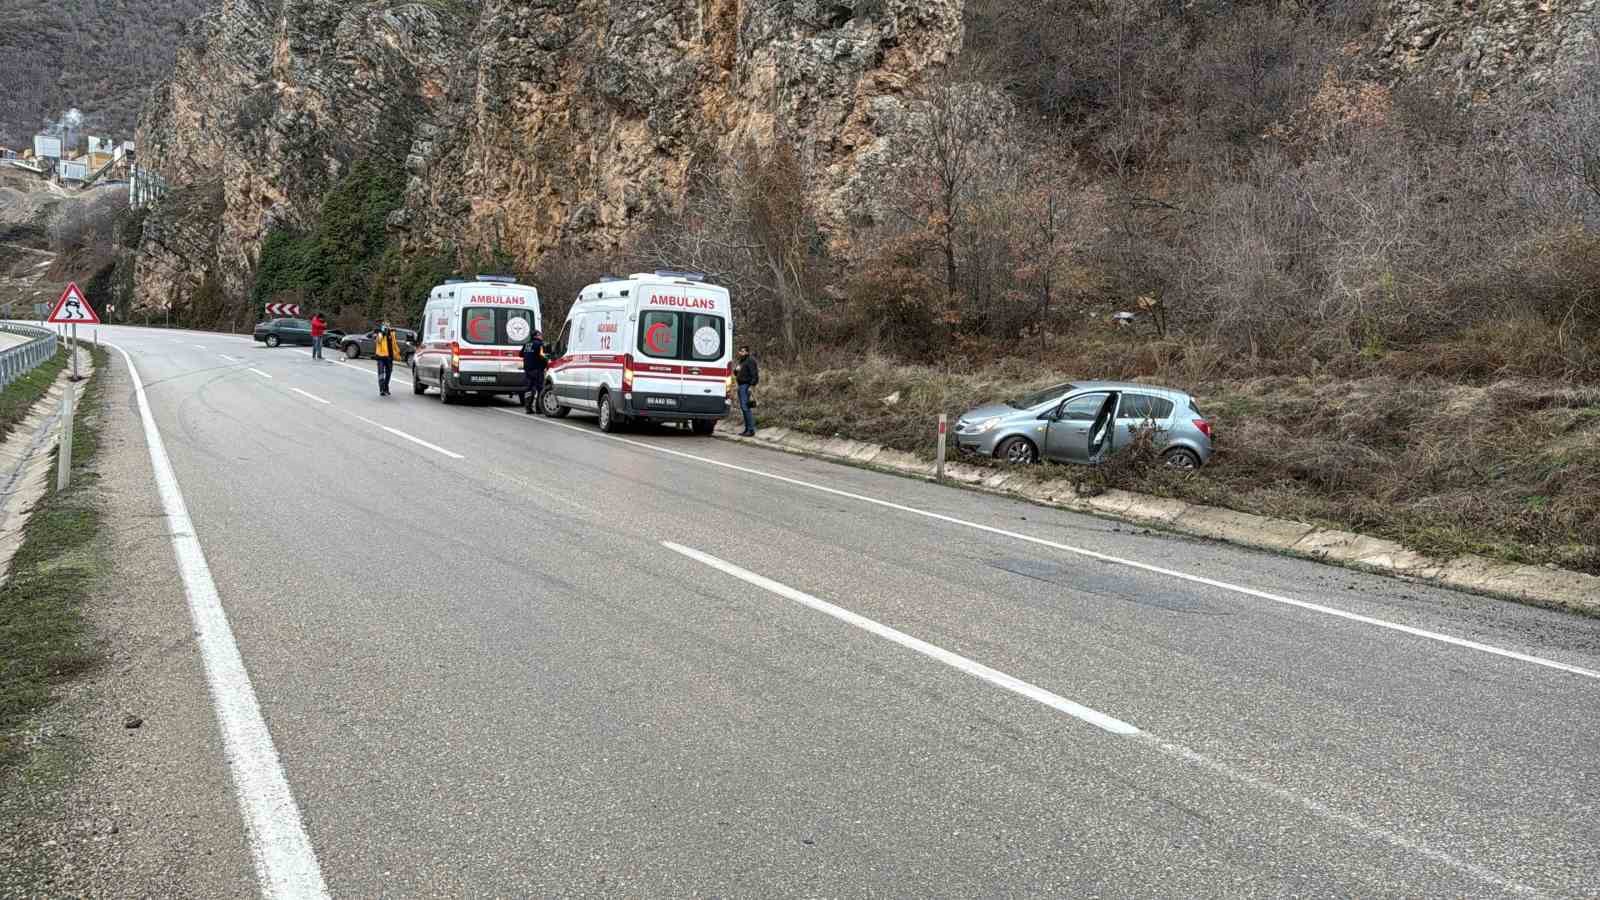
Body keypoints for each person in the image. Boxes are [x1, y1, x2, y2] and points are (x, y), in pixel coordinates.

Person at [734, 345, 758, 436]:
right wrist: (736, 370)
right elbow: (736, 373)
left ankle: (751, 430)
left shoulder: (750, 361)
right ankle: (747, 429)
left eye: (743, 351)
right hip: (741, 386)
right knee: (744, 408)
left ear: (747, 352)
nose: (741, 353)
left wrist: (751, 386)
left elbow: (754, 375)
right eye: (740, 351)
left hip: (746, 386)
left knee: (746, 407)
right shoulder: (742, 361)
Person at [522, 329, 547, 414]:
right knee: (540, 389)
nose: (541, 336)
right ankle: (539, 408)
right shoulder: (539, 344)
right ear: (536, 336)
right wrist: (547, 362)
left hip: (527, 370)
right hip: (537, 370)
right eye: (540, 334)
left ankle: (528, 408)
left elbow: (521, 354)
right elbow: (542, 355)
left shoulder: (526, 344)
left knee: (529, 389)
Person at [373, 321, 399, 396]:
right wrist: (381, 333)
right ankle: (381, 389)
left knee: (389, 373)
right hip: (381, 356)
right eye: (385, 325)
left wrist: (397, 353)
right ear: (382, 326)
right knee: (381, 373)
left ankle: (386, 388)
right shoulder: (379, 333)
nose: (387, 327)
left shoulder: (392, 333)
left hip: (389, 357)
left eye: (388, 325)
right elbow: (378, 340)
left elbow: (394, 344)